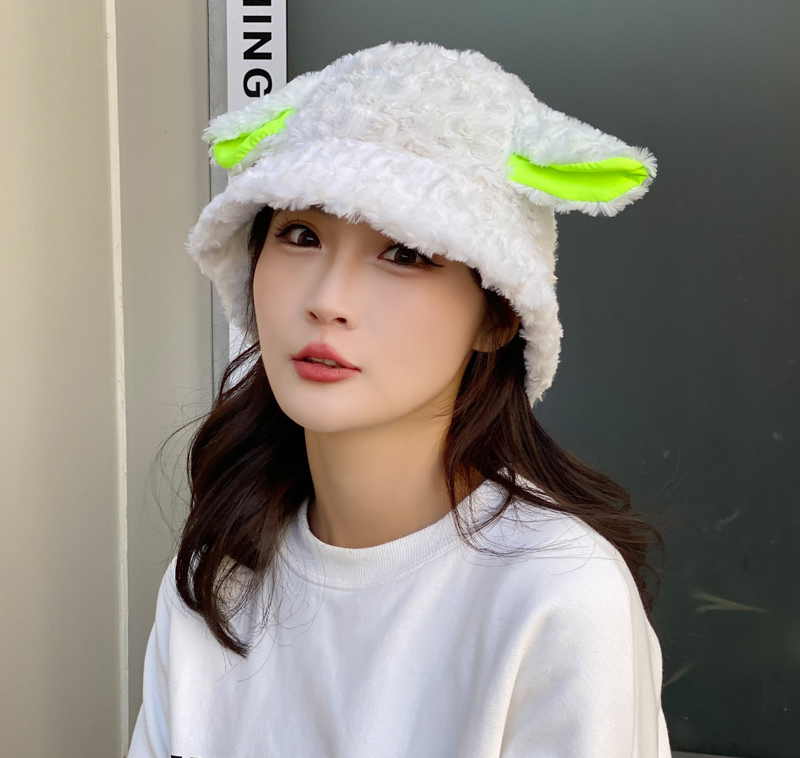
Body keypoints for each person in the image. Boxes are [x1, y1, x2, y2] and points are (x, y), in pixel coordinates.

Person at [129, 41, 671, 757]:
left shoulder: (557, 596)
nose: (328, 299)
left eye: (405, 253)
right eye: (301, 234)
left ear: (498, 316)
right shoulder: (216, 576)